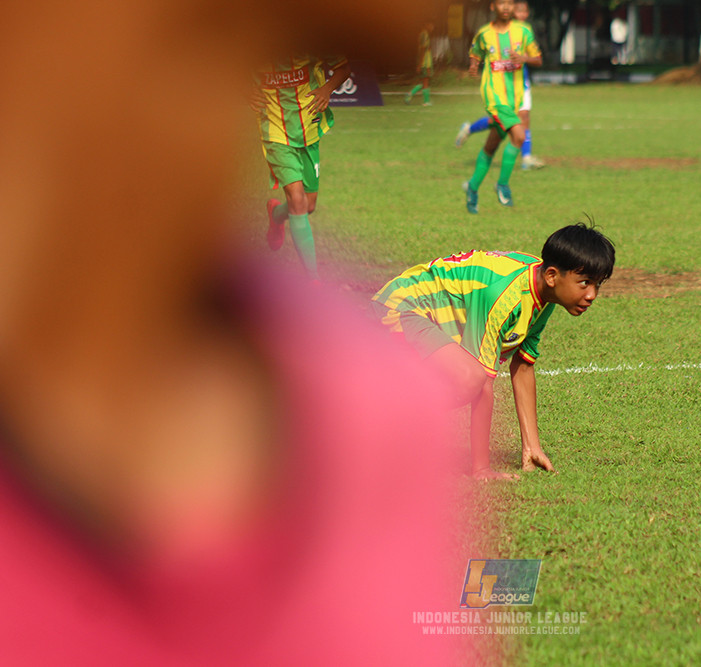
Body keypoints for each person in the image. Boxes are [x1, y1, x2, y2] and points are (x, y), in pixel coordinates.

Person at [0, 2, 463, 664]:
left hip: (302, 142)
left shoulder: (381, 406)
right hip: (278, 140)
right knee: (301, 204)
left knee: (301, 204)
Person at [371, 223, 616, 480]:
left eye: (597, 285)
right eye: (585, 283)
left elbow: (523, 364)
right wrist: (481, 469)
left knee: (465, 376)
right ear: (553, 276)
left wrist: (531, 446)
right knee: (470, 378)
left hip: (419, 317)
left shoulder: (544, 291)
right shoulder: (504, 296)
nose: (592, 294)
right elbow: (483, 385)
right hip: (398, 309)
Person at [252, 55, 350, 281]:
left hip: (309, 126)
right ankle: (313, 282)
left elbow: (343, 69)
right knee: (298, 201)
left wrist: (327, 89)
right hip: (274, 128)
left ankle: (276, 215)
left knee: (309, 204)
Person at [462, 0, 542, 213]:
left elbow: (538, 59)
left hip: (513, 98)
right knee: (518, 135)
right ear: (493, 7)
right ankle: (503, 184)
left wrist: (524, 57)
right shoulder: (484, 33)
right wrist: (473, 65)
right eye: (501, 3)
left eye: (510, 3)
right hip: (494, 97)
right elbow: (475, 52)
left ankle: (472, 187)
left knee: (491, 145)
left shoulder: (523, 31)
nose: (506, 7)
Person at [405, 23, 435, 106]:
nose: (433, 27)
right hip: (425, 62)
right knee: (425, 81)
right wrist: (420, 63)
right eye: (431, 25)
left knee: (423, 82)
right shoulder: (424, 34)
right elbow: (422, 49)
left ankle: (410, 94)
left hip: (426, 62)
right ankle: (426, 101)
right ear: (426, 25)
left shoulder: (424, 34)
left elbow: (425, 48)